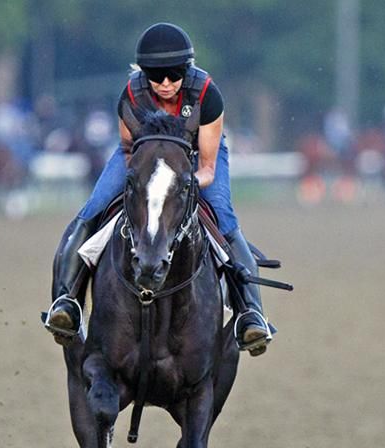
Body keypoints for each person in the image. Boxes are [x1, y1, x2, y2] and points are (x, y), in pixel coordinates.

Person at [45, 23, 273, 356]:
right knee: (94, 207)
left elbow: (207, 167)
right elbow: (127, 150)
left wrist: (179, 185)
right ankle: (67, 300)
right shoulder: (131, 94)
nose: (165, 84)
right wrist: (144, 179)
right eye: (157, 76)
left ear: (187, 70)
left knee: (223, 215)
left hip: (197, 157)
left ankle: (251, 314)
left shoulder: (207, 94)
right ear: (144, 73)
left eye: (173, 76)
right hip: (142, 154)